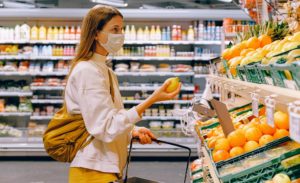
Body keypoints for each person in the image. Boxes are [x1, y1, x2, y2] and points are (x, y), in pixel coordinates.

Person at [65, 5, 181, 183]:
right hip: (92, 172)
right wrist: (153, 99)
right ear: (95, 33)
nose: (120, 35)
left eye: (122, 29)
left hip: (106, 169)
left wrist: (131, 132)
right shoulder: (87, 71)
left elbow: (109, 119)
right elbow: (104, 127)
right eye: (114, 29)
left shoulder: (105, 70)